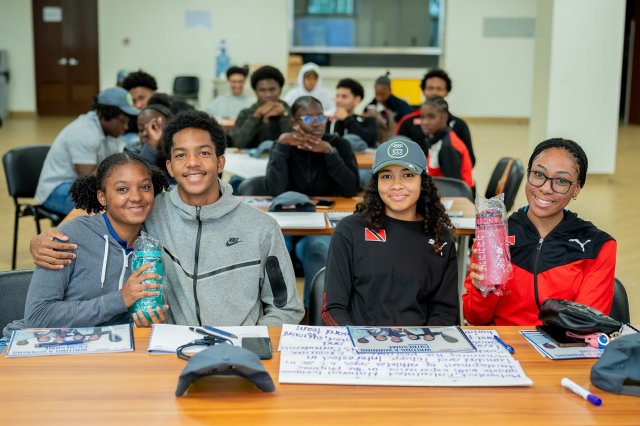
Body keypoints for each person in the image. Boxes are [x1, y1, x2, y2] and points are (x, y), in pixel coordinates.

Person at [30, 110, 305, 327]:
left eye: (204, 153)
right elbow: (103, 210)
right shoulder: (151, 209)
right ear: (170, 167)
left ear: (220, 163)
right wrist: (45, 238)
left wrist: (252, 344)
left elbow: (286, 309)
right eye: (181, 155)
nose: (193, 162)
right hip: (171, 350)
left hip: (241, 352)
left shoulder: (261, 228)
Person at [463, 138, 617, 326]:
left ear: (576, 189)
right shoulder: (495, 236)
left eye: (561, 181)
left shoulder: (598, 246)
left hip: (564, 343)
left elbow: (586, 325)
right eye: (538, 174)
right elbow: (475, 318)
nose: (545, 188)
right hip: (502, 342)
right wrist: (483, 291)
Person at [321, 137, 459, 326]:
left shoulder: (440, 236)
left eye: (408, 175)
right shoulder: (350, 230)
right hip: (359, 340)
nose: (396, 185)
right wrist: (359, 339)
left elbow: (445, 312)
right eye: (386, 176)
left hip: (420, 342)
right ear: (376, 182)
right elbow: (333, 308)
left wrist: (423, 342)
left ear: (423, 181)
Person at [24, 153, 169, 328]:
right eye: (122, 189)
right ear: (102, 197)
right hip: (45, 342)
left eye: (144, 187)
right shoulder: (69, 238)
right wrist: (120, 299)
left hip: (113, 342)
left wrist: (148, 321)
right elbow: (37, 317)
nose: (136, 197)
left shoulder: (151, 243)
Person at [265, 95, 359, 307]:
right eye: (308, 119)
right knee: (273, 249)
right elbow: (274, 190)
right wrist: (281, 148)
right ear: (294, 123)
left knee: (317, 249)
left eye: (320, 117)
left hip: (321, 223)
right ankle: (277, 312)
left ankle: (313, 313)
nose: (317, 123)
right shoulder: (283, 145)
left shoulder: (338, 144)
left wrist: (330, 153)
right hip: (286, 221)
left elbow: (350, 189)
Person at [35, 87, 139, 215]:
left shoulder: (111, 133)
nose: (126, 127)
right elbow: (88, 178)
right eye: (122, 122)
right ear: (105, 117)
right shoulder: (84, 132)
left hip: (81, 187)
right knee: (110, 206)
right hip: (57, 191)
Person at [397, 68, 476, 166]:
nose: (434, 92)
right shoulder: (407, 122)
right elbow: (397, 155)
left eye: (439, 89)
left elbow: (469, 160)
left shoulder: (459, 125)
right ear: (423, 91)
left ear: (447, 92)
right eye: (430, 88)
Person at [228, 65, 292, 149]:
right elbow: (238, 144)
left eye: (272, 89)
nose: (268, 95)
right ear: (255, 91)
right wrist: (256, 116)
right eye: (262, 90)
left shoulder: (291, 112)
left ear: (280, 89)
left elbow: (293, 144)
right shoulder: (246, 113)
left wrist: (284, 115)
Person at [418, 96, 474, 189]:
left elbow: (454, 188)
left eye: (431, 117)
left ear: (444, 117)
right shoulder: (436, 139)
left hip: (456, 195)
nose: (425, 122)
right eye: (422, 117)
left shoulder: (447, 147)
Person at [364, 73, 413, 143]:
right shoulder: (370, 106)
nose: (379, 98)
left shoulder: (401, 106)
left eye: (382, 94)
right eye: (377, 94)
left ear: (389, 90)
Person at [329, 78, 378, 148]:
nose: (338, 100)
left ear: (357, 99)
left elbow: (370, 140)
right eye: (337, 96)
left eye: (344, 97)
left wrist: (347, 119)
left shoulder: (367, 120)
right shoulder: (328, 120)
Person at [121, 70, 159, 137]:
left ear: (154, 94)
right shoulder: (127, 123)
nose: (138, 105)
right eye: (133, 101)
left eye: (141, 98)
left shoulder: (172, 114)